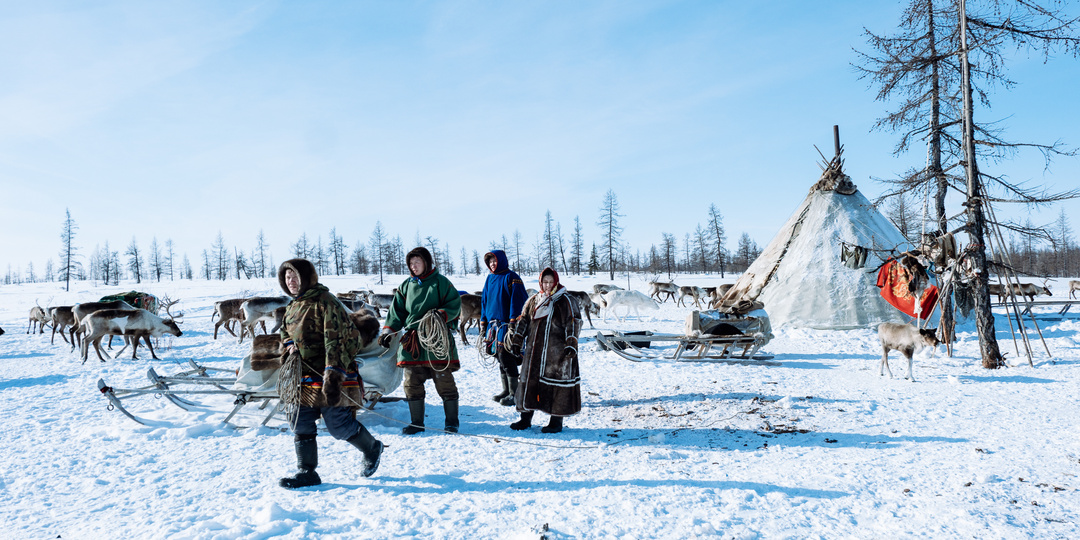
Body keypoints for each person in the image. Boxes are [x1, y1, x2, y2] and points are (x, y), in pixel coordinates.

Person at [276, 258, 383, 489]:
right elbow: (284, 331)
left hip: (332, 372)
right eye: (287, 278)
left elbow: (337, 341)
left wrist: (333, 375)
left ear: (307, 277)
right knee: (300, 420)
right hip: (303, 375)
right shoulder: (293, 305)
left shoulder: (325, 301)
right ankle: (307, 472)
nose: (291, 281)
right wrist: (288, 345)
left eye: (295, 276)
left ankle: (372, 447)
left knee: (338, 425)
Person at [379, 247, 462, 434]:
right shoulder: (406, 286)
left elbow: (454, 304)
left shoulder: (441, 283)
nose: (413, 266)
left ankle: (451, 423)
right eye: (411, 263)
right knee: (411, 382)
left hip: (437, 340)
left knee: (445, 382)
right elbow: (396, 312)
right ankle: (417, 423)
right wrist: (387, 332)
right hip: (413, 342)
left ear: (426, 262)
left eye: (417, 262)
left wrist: (441, 314)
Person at [505, 267, 583, 433]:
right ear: (540, 282)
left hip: (556, 354)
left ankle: (555, 422)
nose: (548, 286)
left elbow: (573, 322)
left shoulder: (565, 300)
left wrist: (571, 343)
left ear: (556, 281)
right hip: (533, 353)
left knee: (555, 386)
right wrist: (517, 341)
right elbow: (523, 321)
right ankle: (525, 419)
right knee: (528, 383)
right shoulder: (534, 300)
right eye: (545, 282)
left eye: (551, 282)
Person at [479, 250, 529, 406]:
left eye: (494, 261)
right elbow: (484, 301)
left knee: (506, 356)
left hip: (507, 325)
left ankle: (515, 393)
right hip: (492, 326)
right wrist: (483, 322)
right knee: (498, 356)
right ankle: (506, 390)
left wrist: (514, 322)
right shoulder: (490, 278)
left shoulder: (512, 278)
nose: (492, 264)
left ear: (501, 260)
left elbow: (518, 301)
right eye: (490, 262)